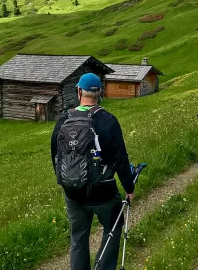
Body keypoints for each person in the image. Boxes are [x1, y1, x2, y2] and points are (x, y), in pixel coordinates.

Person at [51, 73, 135, 270]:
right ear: (100, 93)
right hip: (103, 192)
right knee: (112, 228)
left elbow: (55, 156)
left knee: (78, 235)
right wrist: (129, 188)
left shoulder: (63, 120)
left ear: (79, 91)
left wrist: (66, 180)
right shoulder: (108, 120)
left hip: (73, 191)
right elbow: (120, 158)